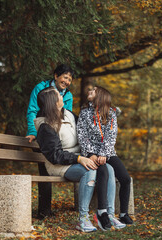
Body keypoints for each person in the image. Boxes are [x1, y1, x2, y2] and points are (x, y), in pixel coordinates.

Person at [34, 87, 126, 232]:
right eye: (58, 94)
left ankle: (108, 214)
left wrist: (109, 114)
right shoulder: (46, 127)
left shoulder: (68, 115)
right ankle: (83, 218)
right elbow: (55, 156)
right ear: (53, 101)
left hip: (81, 158)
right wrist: (79, 159)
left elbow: (88, 128)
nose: (61, 95)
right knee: (88, 171)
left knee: (109, 168)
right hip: (60, 165)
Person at [77, 86, 134, 225]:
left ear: (101, 95)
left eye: (94, 90)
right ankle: (102, 212)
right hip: (91, 153)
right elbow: (82, 136)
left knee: (125, 179)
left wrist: (103, 153)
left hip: (108, 152)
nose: (89, 90)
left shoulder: (111, 113)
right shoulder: (84, 113)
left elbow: (111, 135)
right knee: (103, 172)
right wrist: (91, 154)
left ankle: (123, 214)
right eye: (89, 90)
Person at [26, 64, 74, 219]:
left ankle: (45, 210)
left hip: (57, 136)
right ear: (56, 75)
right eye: (65, 77)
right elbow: (32, 110)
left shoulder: (68, 96)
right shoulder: (41, 88)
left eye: (70, 79)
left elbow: (67, 116)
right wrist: (33, 132)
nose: (67, 81)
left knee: (51, 167)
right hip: (42, 132)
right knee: (44, 170)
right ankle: (44, 210)